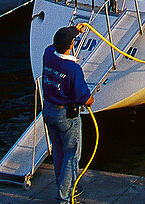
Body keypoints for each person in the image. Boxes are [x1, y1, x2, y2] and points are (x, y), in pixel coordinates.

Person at [42, 25, 94, 204]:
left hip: (48, 110)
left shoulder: (48, 55)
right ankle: (64, 197)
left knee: (58, 151)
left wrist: (75, 30)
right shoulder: (73, 69)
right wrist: (90, 101)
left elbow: (54, 45)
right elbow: (83, 97)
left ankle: (63, 186)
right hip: (66, 116)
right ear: (71, 45)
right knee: (72, 155)